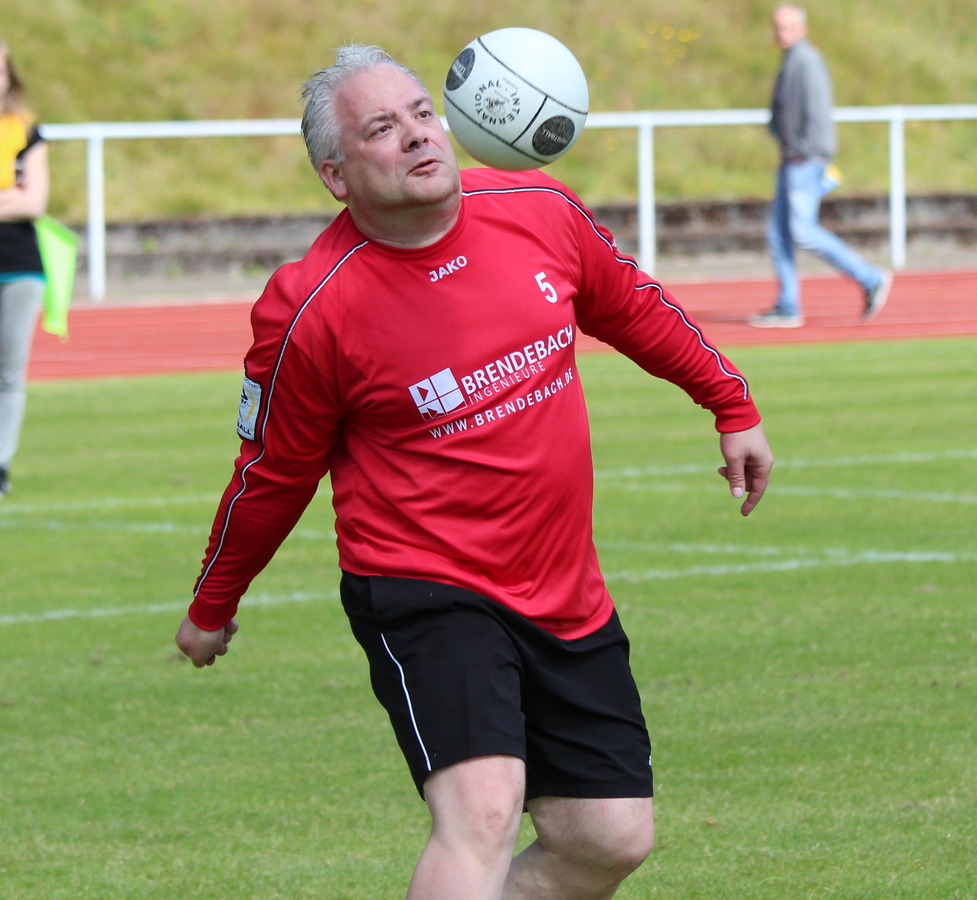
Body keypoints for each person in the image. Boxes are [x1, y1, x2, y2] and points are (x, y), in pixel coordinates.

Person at [175, 43, 774, 900]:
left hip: (565, 584)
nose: (417, 136)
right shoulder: (311, 307)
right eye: (382, 128)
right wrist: (212, 605)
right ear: (336, 175)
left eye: (422, 112)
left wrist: (731, 404)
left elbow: (633, 306)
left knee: (607, 837)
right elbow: (272, 474)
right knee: (482, 811)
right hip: (426, 585)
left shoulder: (541, 208)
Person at [749, 4, 891, 328]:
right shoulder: (792, 60)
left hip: (803, 160)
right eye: (778, 28)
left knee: (802, 230)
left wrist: (808, 152)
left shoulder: (807, 61)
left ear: (801, 28)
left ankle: (869, 278)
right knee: (778, 234)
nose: (781, 34)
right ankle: (788, 305)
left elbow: (818, 113)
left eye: (787, 28)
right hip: (791, 158)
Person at [0, 40, 49, 497]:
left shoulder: (25, 129)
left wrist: (18, 200)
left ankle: (1, 463)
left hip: (18, 266)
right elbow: (18, 197)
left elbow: (34, 200)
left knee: (10, 372)